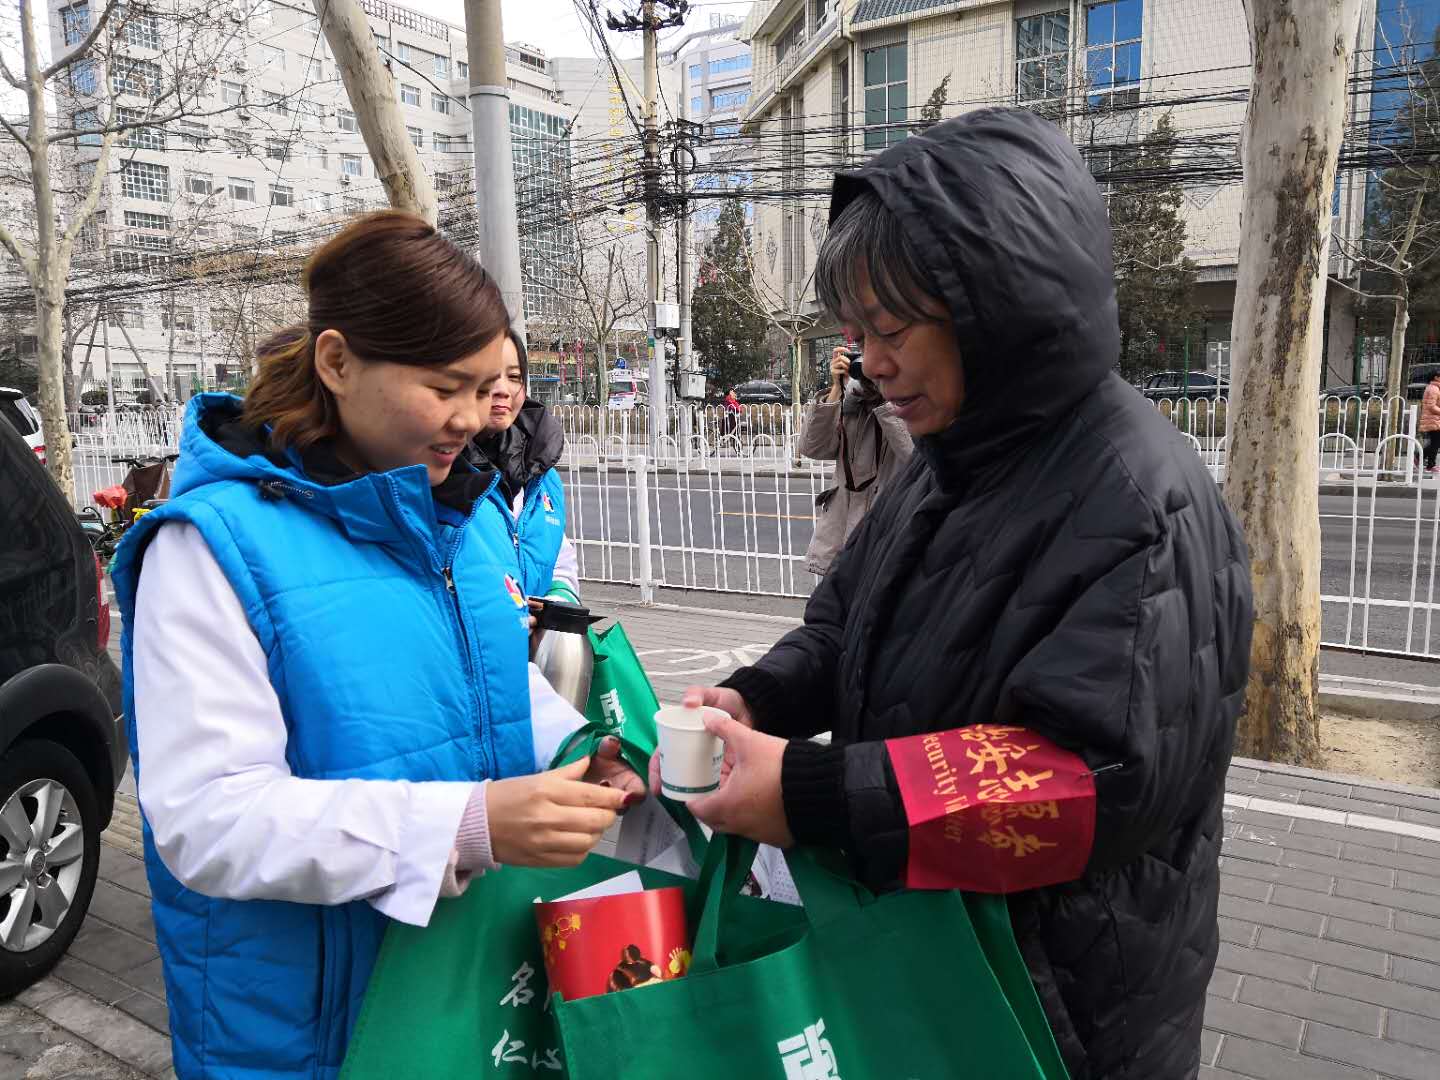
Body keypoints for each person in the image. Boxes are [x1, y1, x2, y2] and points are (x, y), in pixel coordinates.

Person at [658, 109, 1253, 1078]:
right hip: (934, 952)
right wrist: (756, 698)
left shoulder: (1140, 497)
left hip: (1056, 998)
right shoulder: (952, 457)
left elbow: (1093, 780)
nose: (871, 362)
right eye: (856, 333)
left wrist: (810, 794)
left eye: (891, 329)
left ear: (1000, 308)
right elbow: (846, 623)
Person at [111, 212, 635, 1079]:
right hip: (312, 1025)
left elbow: (493, 687)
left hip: (457, 990)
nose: (475, 417)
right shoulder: (209, 547)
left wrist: (583, 755)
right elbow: (209, 820)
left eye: (487, 386)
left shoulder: (453, 516)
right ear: (337, 362)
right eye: (445, 387)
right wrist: (467, 826)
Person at [470, 330, 579, 601]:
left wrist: (554, 606)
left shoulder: (543, 475)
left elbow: (558, 566)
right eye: (489, 376)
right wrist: (509, 615)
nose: (503, 390)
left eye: (514, 377)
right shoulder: (440, 474)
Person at [796, 346, 912, 575]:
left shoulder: (912, 404)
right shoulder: (852, 403)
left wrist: (885, 399)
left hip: (888, 536)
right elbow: (813, 448)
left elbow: (916, 456)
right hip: (842, 540)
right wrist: (836, 390)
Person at [1422, 370, 1440, 472]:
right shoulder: (1433, 389)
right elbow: (1431, 406)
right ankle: (1429, 464)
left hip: (1434, 419)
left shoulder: (1435, 388)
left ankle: (1423, 460)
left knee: (1435, 442)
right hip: (1433, 419)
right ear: (1436, 377)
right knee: (1435, 442)